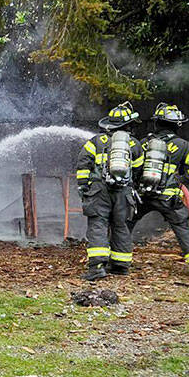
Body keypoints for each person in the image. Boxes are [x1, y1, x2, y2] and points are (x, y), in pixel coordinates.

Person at [131, 102, 189, 276]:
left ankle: (115, 262)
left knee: (123, 224)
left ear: (156, 123)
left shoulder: (144, 143)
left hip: (142, 196)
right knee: (184, 229)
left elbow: (131, 167)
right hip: (169, 198)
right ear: (177, 125)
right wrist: (182, 179)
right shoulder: (183, 146)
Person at [76, 102, 144, 281]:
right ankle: (121, 265)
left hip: (99, 191)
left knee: (98, 224)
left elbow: (83, 165)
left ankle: (97, 267)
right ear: (127, 125)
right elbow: (138, 171)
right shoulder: (135, 145)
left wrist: (84, 187)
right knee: (121, 225)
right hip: (124, 192)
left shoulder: (96, 141)